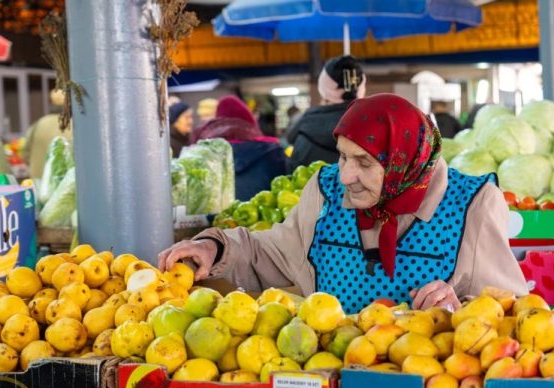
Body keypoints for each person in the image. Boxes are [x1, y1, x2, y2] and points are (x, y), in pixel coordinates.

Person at [158, 94, 527, 314]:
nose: (347, 175)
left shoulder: (471, 205)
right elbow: (269, 253)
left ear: (403, 161)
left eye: (364, 162)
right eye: (343, 157)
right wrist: (214, 246)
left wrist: (459, 311)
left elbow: (514, 312)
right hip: (328, 385)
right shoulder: (326, 191)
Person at [193, 95, 286, 201]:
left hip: (215, 217)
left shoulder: (201, 155)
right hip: (262, 216)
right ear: (250, 122)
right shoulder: (272, 151)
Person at [286, 55, 367, 170]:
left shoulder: (303, 133)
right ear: (361, 89)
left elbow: (292, 179)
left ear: (324, 91)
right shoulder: (379, 129)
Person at [21, 89, 72, 179]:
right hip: (67, 185)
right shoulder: (76, 125)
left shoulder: (39, 123)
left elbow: (25, 152)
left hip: (40, 182)